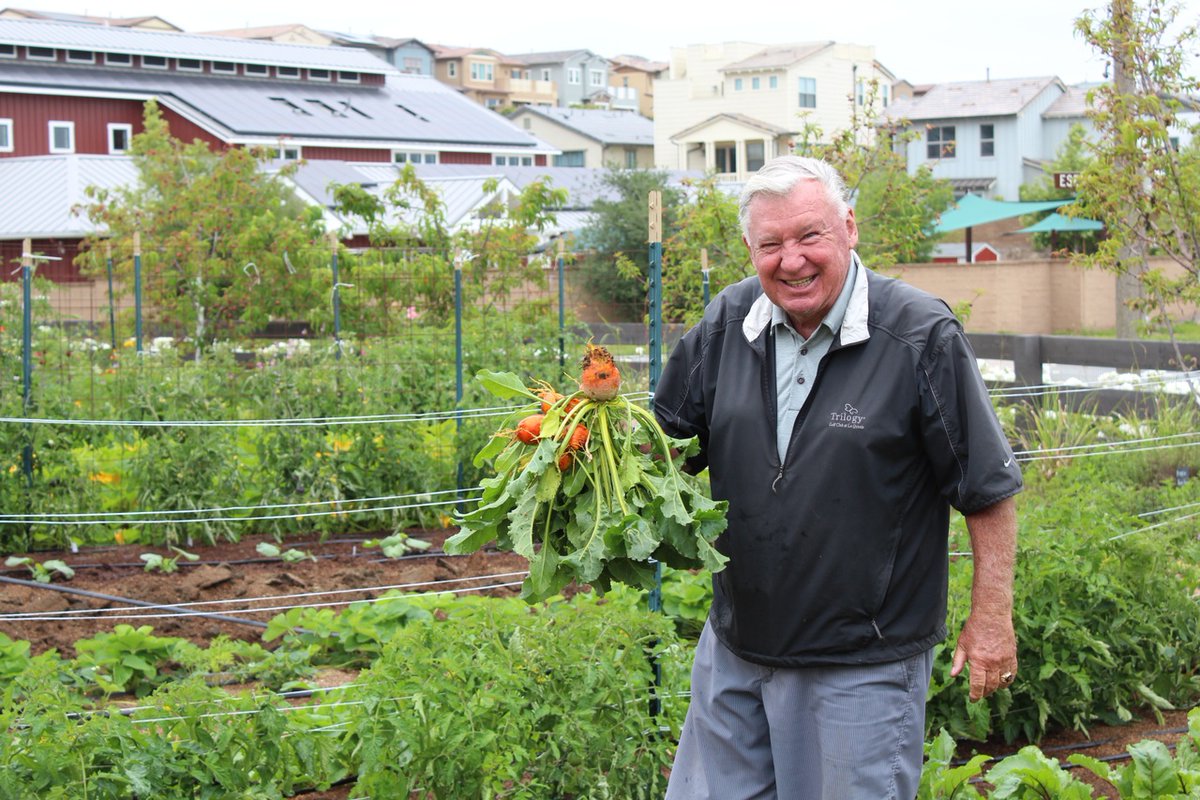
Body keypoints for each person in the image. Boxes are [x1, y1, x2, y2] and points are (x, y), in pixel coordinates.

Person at [654, 155, 1022, 800]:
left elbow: (985, 490)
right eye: (771, 244)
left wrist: (990, 618)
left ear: (848, 227)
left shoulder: (916, 335)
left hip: (861, 662)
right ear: (750, 248)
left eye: (809, 236)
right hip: (739, 646)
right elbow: (663, 448)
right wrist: (580, 446)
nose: (790, 260)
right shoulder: (725, 324)